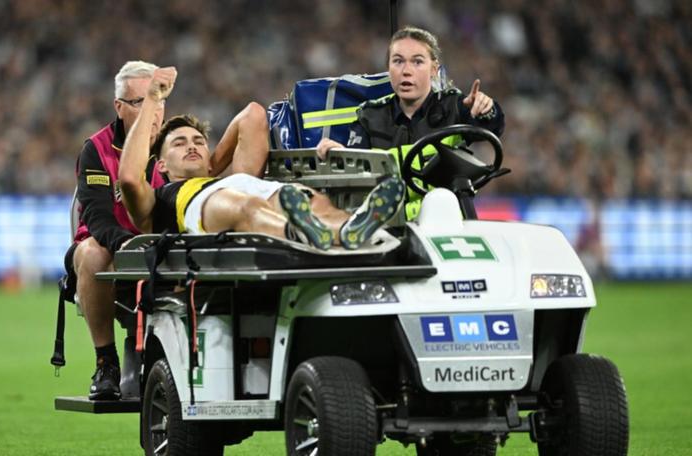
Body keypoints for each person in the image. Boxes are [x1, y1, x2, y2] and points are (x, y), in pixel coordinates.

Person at [66, 60, 270, 400]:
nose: (154, 109)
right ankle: (106, 363)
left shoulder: (176, 147)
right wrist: (134, 247)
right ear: (119, 107)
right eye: (142, 101)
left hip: (170, 248)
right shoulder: (97, 149)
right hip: (119, 251)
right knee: (91, 252)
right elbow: (98, 218)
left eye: (159, 100)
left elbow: (225, 152)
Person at [118, 79, 405, 252]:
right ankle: (301, 234)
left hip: (233, 187)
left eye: (198, 142)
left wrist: (211, 167)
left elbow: (252, 114)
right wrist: (152, 102)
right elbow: (130, 178)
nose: (192, 145)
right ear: (162, 165)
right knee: (246, 207)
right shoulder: (157, 201)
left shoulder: (235, 176)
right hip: (201, 204)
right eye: (179, 143)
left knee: (310, 200)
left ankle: (345, 230)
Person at [316, 26, 505, 220]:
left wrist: (487, 109)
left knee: (440, 198)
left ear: (434, 69)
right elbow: (356, 171)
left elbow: (491, 127)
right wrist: (338, 155)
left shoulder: (453, 106)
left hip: (444, 223)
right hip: (387, 226)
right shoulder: (369, 116)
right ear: (388, 68)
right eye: (398, 61)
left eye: (417, 62)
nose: (406, 71)